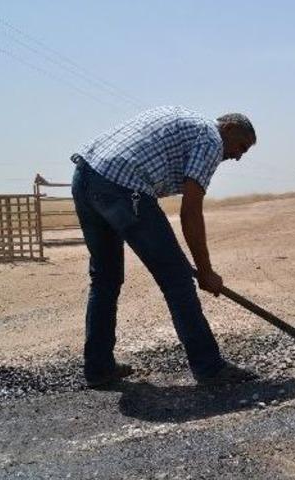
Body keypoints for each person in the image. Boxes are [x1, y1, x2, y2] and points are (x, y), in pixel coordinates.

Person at [71, 106, 256, 387]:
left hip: (85, 176)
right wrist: (206, 271)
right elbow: (190, 212)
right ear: (228, 129)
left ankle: (99, 368)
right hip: (122, 186)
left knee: (105, 279)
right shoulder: (211, 139)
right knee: (178, 280)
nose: (238, 156)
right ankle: (209, 367)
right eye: (240, 146)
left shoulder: (184, 118)